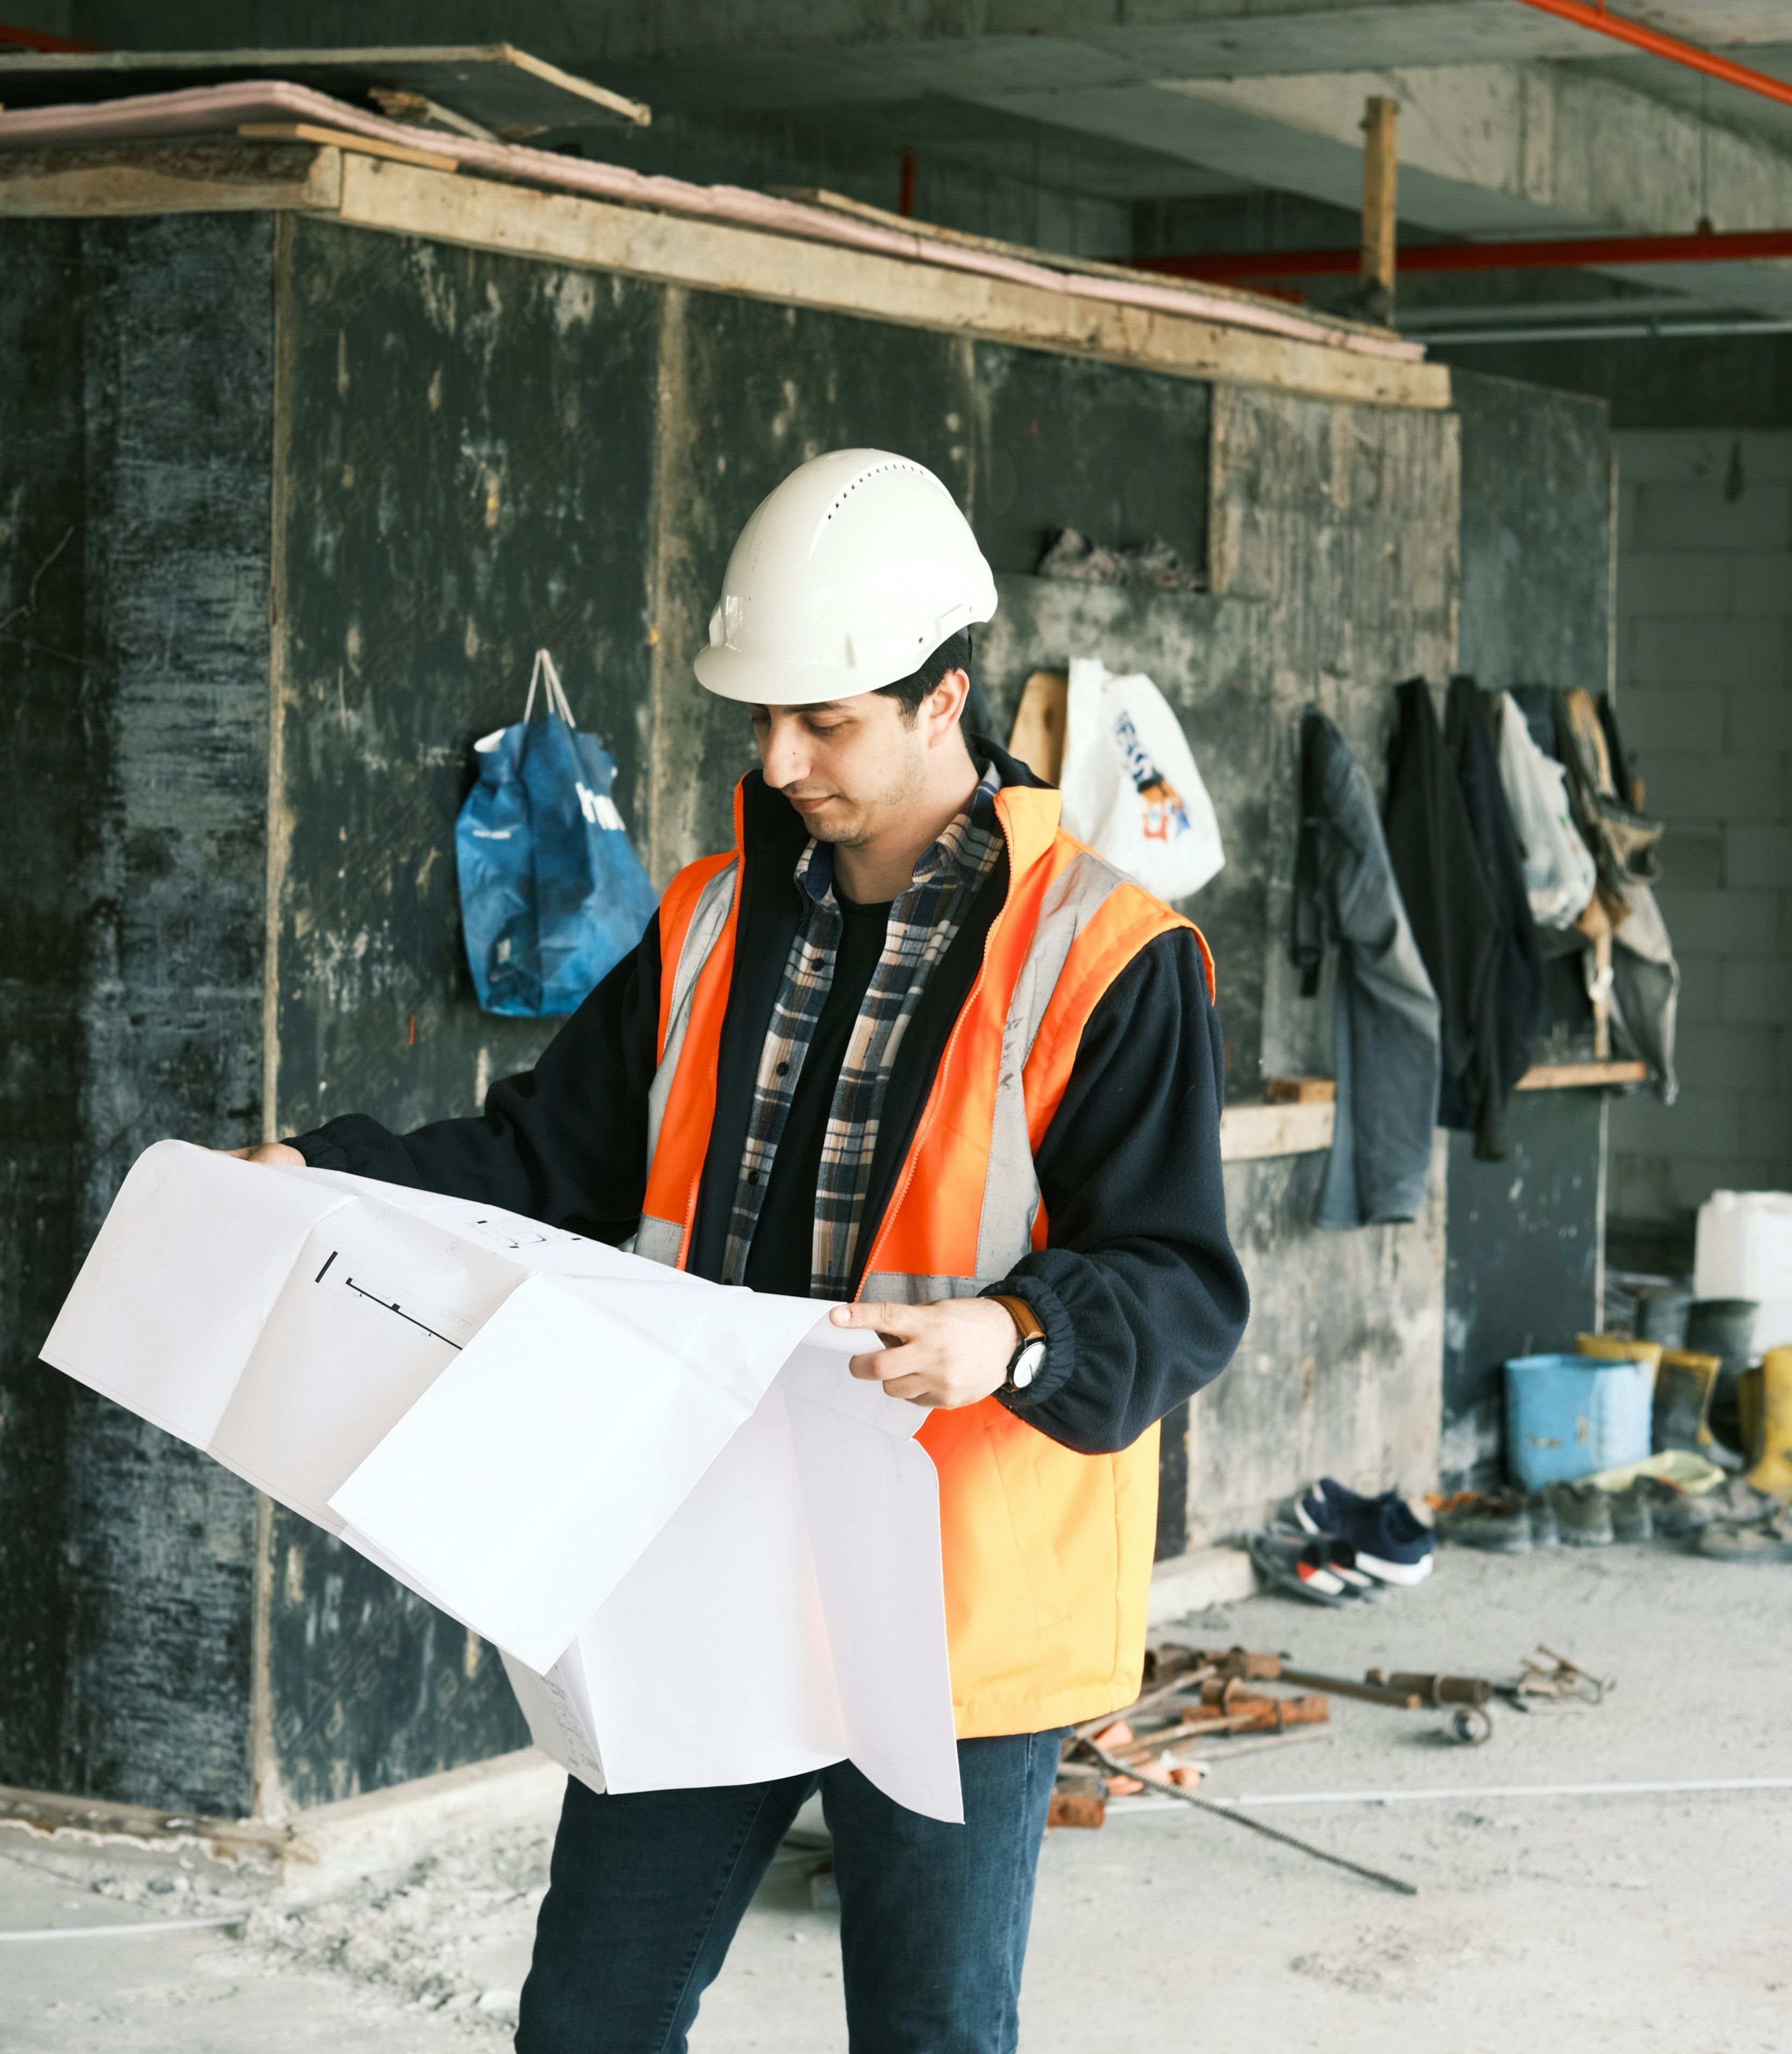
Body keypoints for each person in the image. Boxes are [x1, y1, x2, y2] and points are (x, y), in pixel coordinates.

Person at [225, 448, 1248, 2054]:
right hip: (701, 1563)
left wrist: (1013, 1331)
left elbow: (1184, 1281)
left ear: (942, 704)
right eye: (760, 720)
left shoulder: (1109, 957)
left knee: (931, 2037)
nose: (778, 762)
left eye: (823, 723)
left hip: (951, 1614)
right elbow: (540, 1161)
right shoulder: (707, 920)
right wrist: (328, 1175)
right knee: (590, 2019)